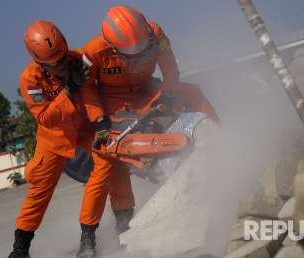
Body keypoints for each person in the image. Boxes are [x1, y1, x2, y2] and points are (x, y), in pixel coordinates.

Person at [0, 20, 119, 258]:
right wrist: (68, 89)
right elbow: (47, 119)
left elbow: (90, 95)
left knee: (106, 160)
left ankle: (90, 236)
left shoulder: (77, 61)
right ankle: (20, 251)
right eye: (56, 63)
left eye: (64, 57)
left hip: (84, 128)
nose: (64, 65)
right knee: (39, 190)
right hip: (53, 137)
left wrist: (100, 122)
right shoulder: (30, 79)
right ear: (40, 62)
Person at [79, 6, 219, 228]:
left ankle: (224, 139)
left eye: (144, 52)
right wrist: (99, 119)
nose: (140, 58)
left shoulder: (157, 34)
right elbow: (87, 89)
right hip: (115, 103)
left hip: (150, 91)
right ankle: (167, 177)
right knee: (129, 142)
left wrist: (169, 92)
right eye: (133, 56)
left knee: (192, 91)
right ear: (112, 48)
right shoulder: (91, 53)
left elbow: (170, 68)